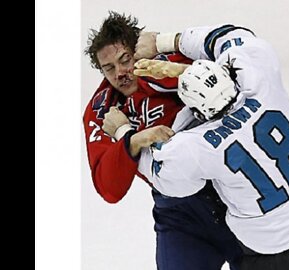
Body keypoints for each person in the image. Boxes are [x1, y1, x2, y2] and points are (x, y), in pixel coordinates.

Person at [122, 24, 289, 269]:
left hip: (270, 256)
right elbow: (230, 35)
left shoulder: (199, 145)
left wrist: (124, 132)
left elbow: (162, 175)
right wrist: (163, 41)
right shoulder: (262, 83)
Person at [83, 12, 242, 270]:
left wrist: (166, 45)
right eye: (109, 68)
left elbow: (236, 64)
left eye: (125, 59)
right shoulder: (104, 110)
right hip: (180, 214)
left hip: (236, 193)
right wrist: (131, 140)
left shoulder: (166, 63)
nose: (120, 73)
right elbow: (108, 187)